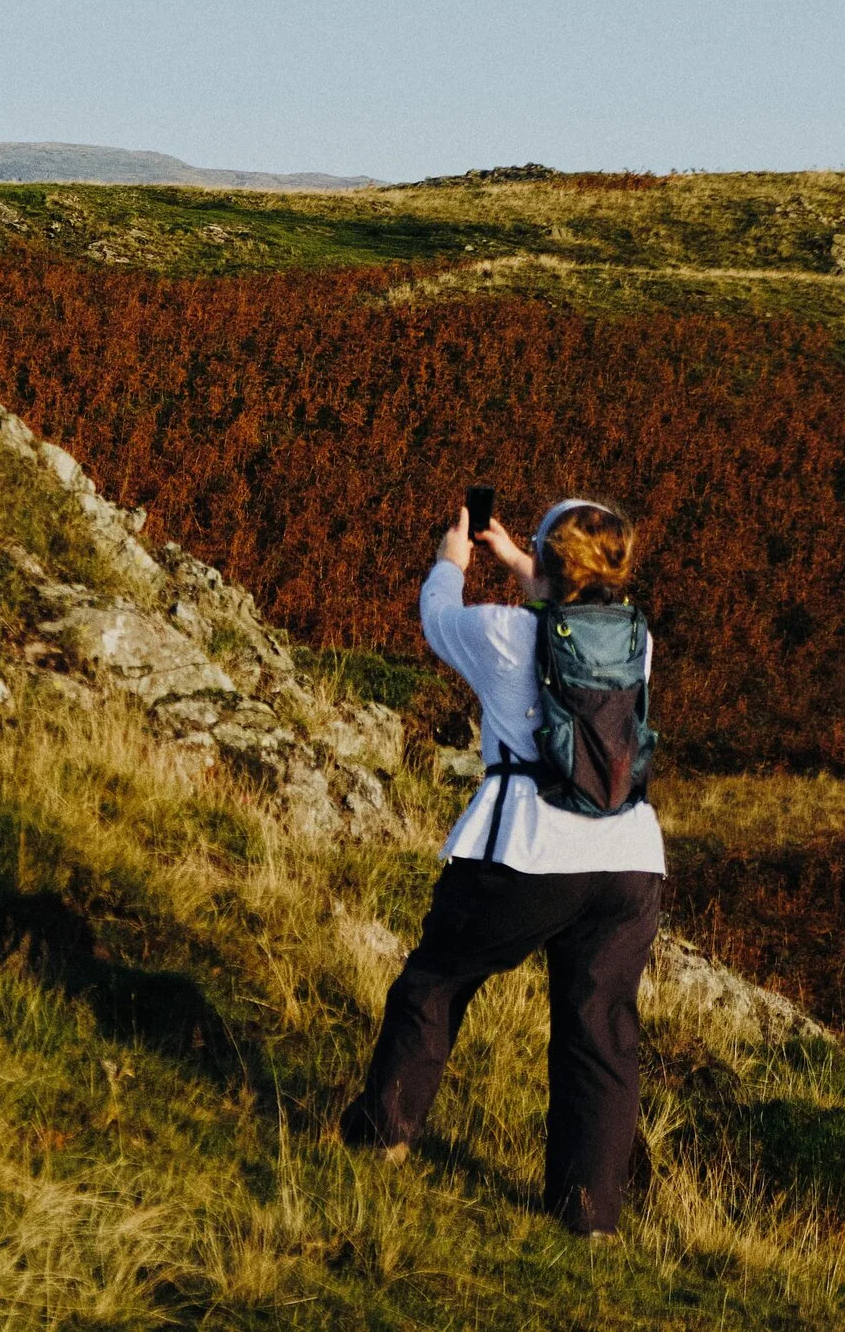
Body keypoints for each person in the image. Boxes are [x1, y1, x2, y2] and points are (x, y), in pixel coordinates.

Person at [341, 497, 664, 1238]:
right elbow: (568, 622)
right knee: (600, 1030)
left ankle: (384, 1135)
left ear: (552, 565)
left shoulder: (499, 634)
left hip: (529, 852)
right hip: (629, 861)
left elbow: (436, 618)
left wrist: (452, 561)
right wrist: (527, 559)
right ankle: (588, 1215)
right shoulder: (635, 643)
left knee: (439, 979)